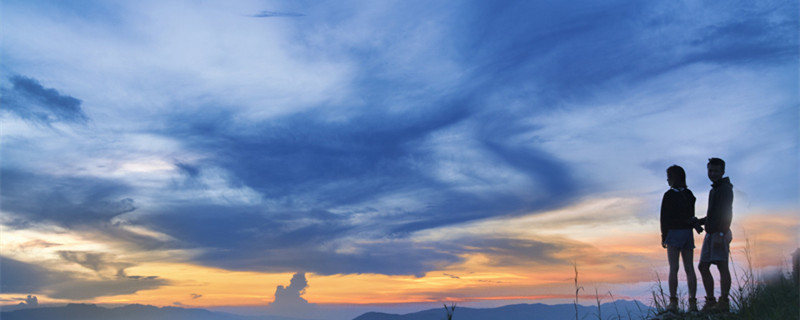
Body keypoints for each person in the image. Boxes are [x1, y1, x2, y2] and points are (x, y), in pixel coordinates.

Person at [660, 165, 698, 312]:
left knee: (673, 268)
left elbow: (664, 218)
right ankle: (692, 302)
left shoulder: (668, 195)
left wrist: (664, 236)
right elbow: (691, 216)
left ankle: (673, 302)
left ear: (673, 178)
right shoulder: (689, 194)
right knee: (690, 268)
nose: (667, 179)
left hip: (674, 234)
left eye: (669, 176)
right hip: (688, 234)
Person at [697, 158, 733, 313]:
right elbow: (712, 215)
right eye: (710, 170)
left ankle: (724, 302)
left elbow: (726, 212)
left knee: (721, 265)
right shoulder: (714, 190)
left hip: (719, 233)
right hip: (711, 233)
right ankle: (711, 301)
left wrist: (720, 232)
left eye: (716, 171)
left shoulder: (724, 188)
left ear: (722, 172)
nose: (712, 174)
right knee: (703, 266)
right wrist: (698, 221)